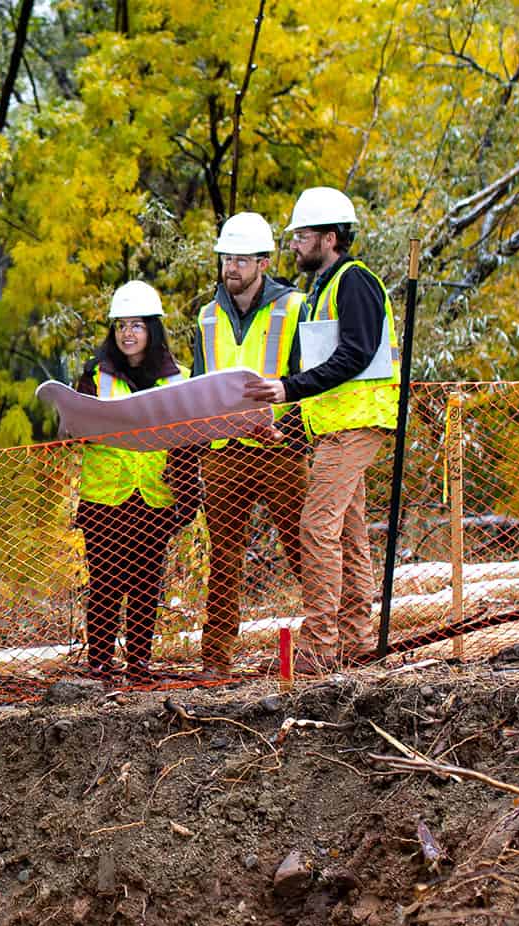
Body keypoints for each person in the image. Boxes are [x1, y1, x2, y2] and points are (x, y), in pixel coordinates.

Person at [241, 187, 397, 673]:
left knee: (316, 526)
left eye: (302, 235)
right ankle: (354, 640)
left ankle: (318, 647)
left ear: (330, 238)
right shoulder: (322, 291)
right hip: (334, 424)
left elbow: (353, 357)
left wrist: (286, 390)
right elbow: (325, 373)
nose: (294, 244)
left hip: (356, 423)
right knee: (348, 535)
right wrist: (285, 420)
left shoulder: (354, 283)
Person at [192, 212, 308, 674]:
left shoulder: (295, 307)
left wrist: (292, 433)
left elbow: (309, 380)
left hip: (280, 449)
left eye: (241, 259)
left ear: (264, 262)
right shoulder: (206, 316)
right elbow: (200, 387)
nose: (231, 268)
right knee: (223, 558)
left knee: (302, 547)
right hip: (224, 453)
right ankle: (215, 660)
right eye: (226, 258)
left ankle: (332, 639)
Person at [73, 281, 192, 678]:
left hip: (154, 497)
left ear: (152, 330)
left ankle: (140, 662)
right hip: (105, 498)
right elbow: (76, 428)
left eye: (137, 325)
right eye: (121, 325)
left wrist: (188, 495)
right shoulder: (95, 375)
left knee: (145, 585)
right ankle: (100, 664)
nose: (128, 333)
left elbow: (189, 443)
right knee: (106, 584)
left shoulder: (180, 380)